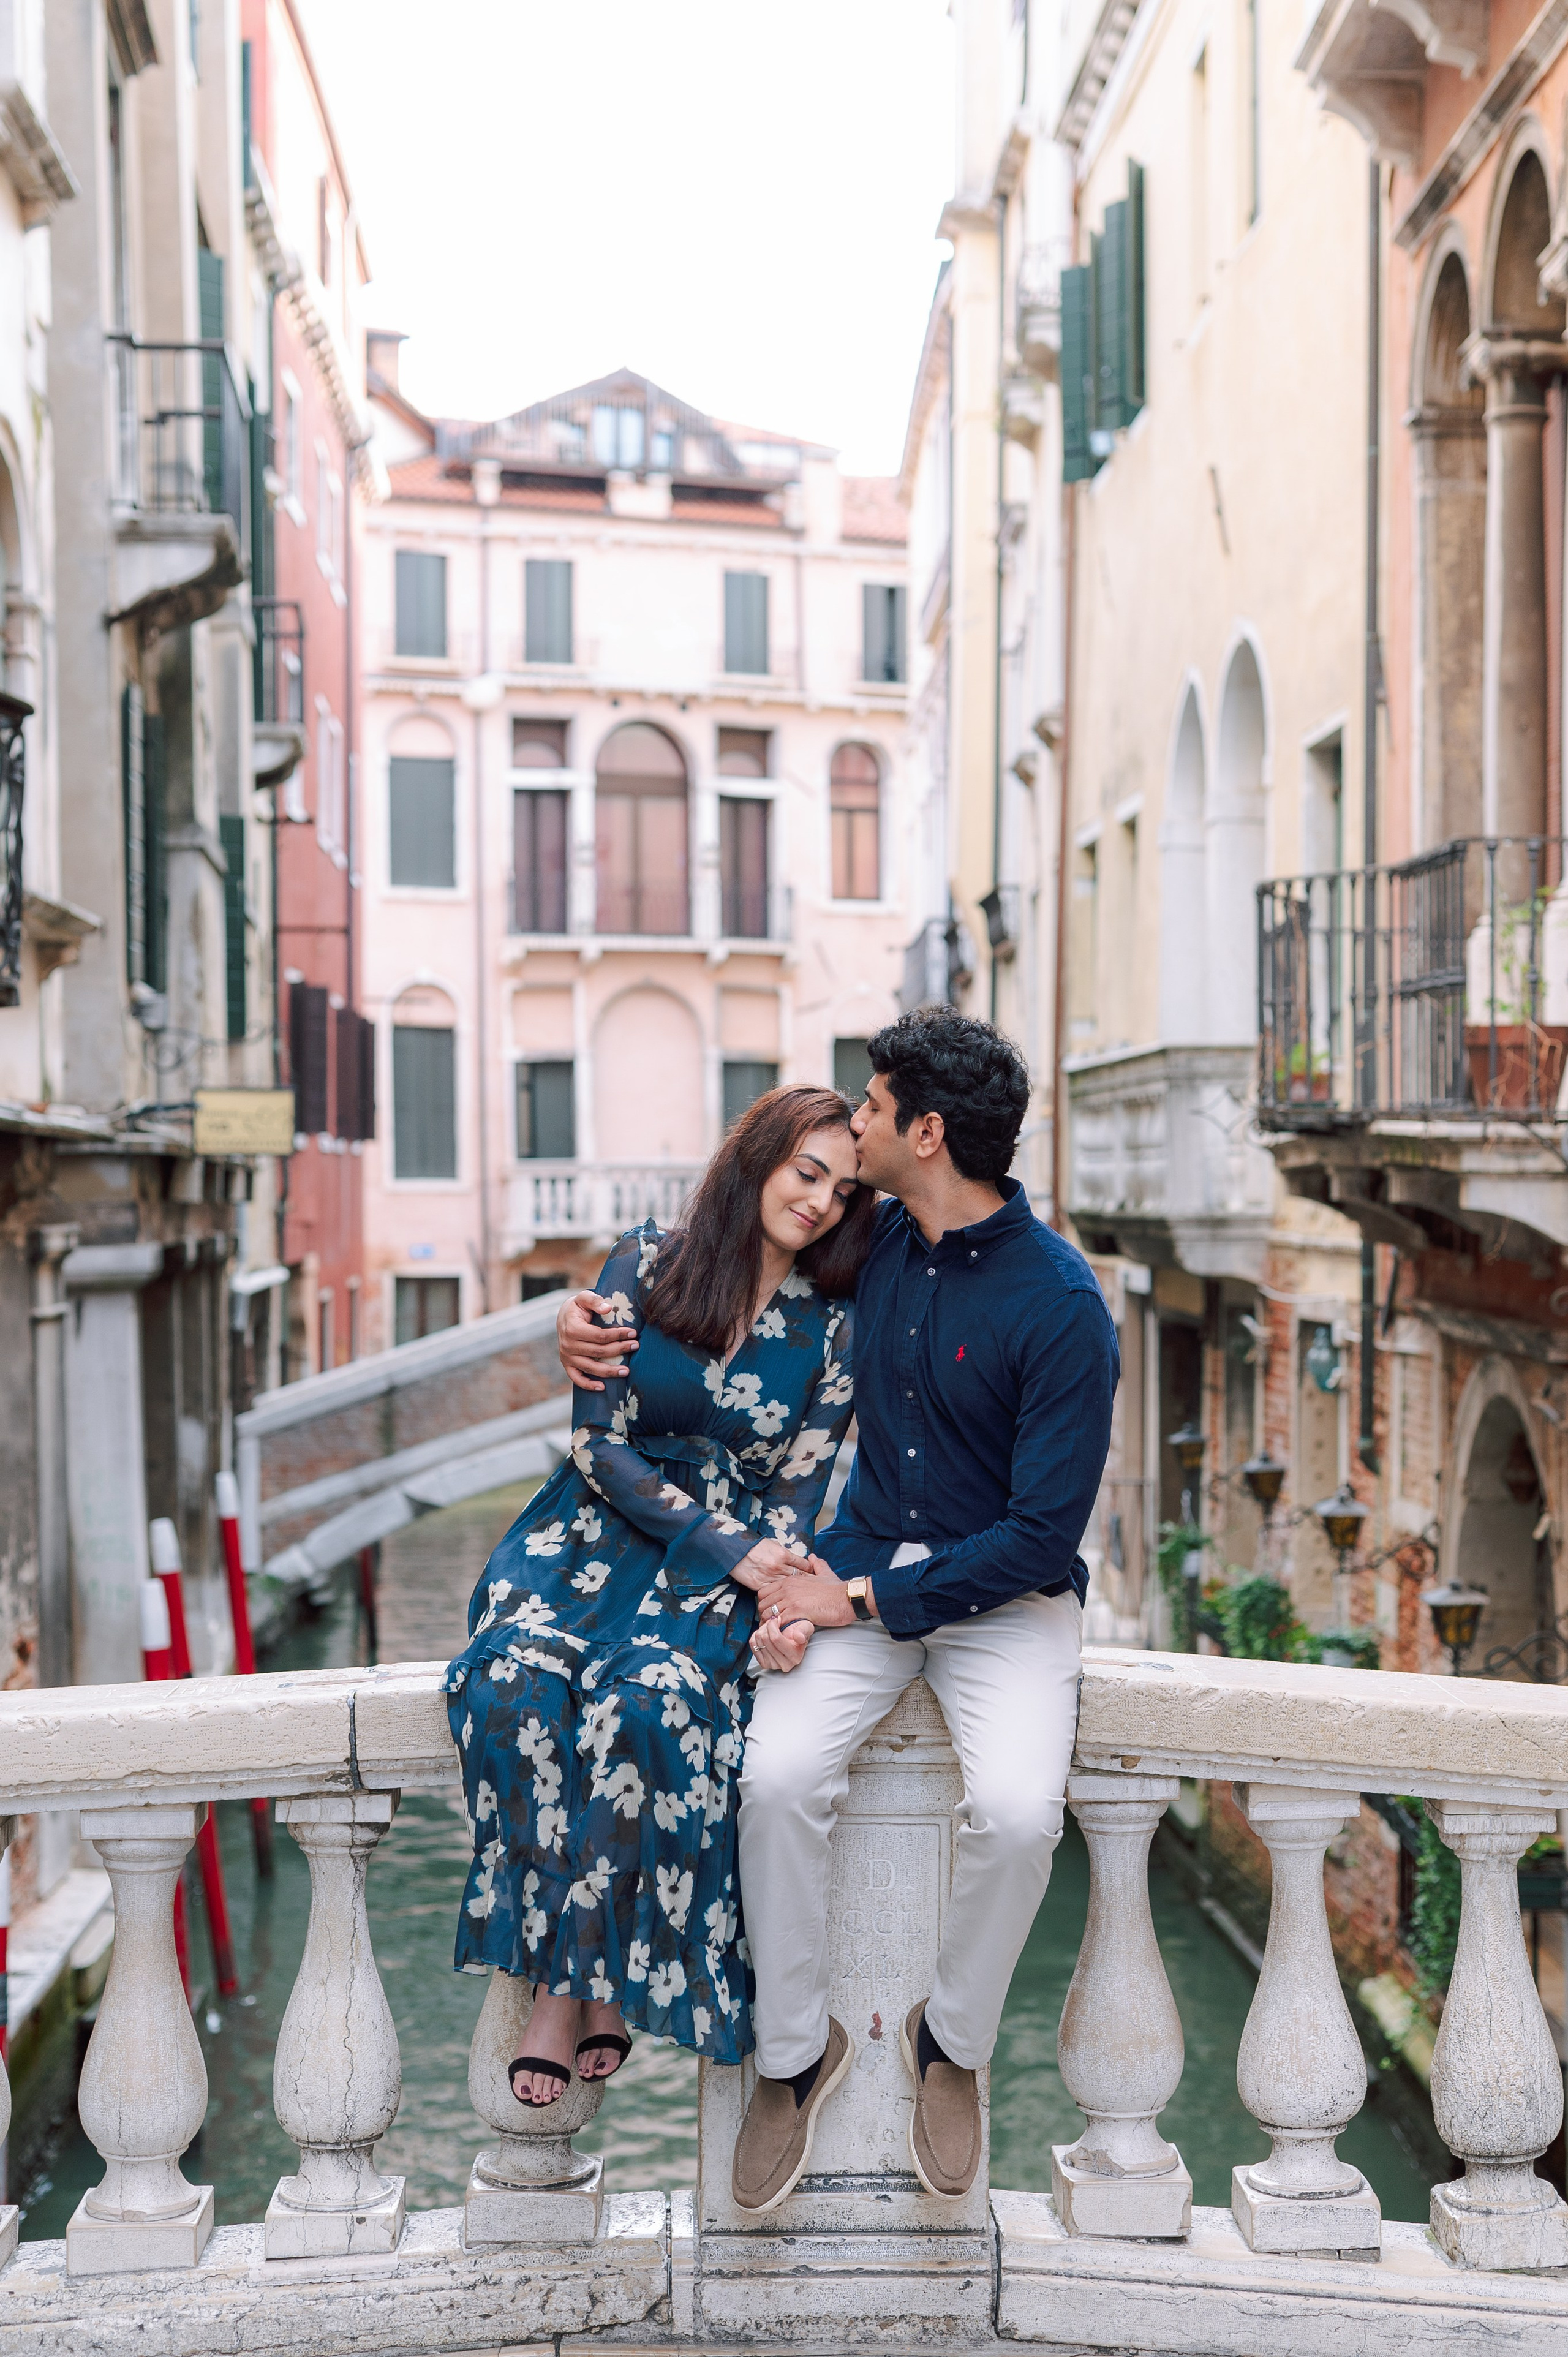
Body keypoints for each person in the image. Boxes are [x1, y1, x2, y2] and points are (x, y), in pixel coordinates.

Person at [557, 1007, 1118, 2212]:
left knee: (1020, 1817)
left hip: (1000, 1600)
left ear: (922, 1131)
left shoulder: (1063, 1304)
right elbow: (716, 1251)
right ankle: (793, 2053)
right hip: (853, 1569)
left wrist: (853, 1594)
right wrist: (584, 1320)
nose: (849, 1120)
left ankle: (948, 2046)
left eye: (868, 1106)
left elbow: (1037, 1536)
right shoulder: (878, 1235)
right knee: (773, 1782)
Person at [446, 1085, 873, 2108]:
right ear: (758, 1160)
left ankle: (569, 1981)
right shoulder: (645, 1262)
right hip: (588, 1537)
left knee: (654, 1701)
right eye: (806, 1173)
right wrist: (730, 1548)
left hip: (717, 1577)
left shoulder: (835, 1328)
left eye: (844, 1191)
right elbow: (598, 1444)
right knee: (513, 1681)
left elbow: (800, 1491)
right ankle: (571, 1982)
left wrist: (773, 1598)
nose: (818, 1202)